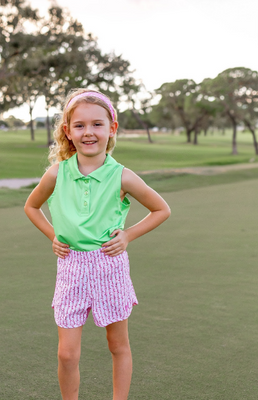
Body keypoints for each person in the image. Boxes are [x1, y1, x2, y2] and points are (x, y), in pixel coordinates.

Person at [24, 88, 171, 400]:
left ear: (112, 129)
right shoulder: (56, 173)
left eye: (97, 124)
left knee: (117, 346)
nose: (88, 132)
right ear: (68, 131)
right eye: (79, 125)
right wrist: (53, 236)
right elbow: (31, 207)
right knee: (67, 354)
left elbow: (161, 209)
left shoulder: (123, 176)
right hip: (71, 267)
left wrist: (128, 235)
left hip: (109, 265)